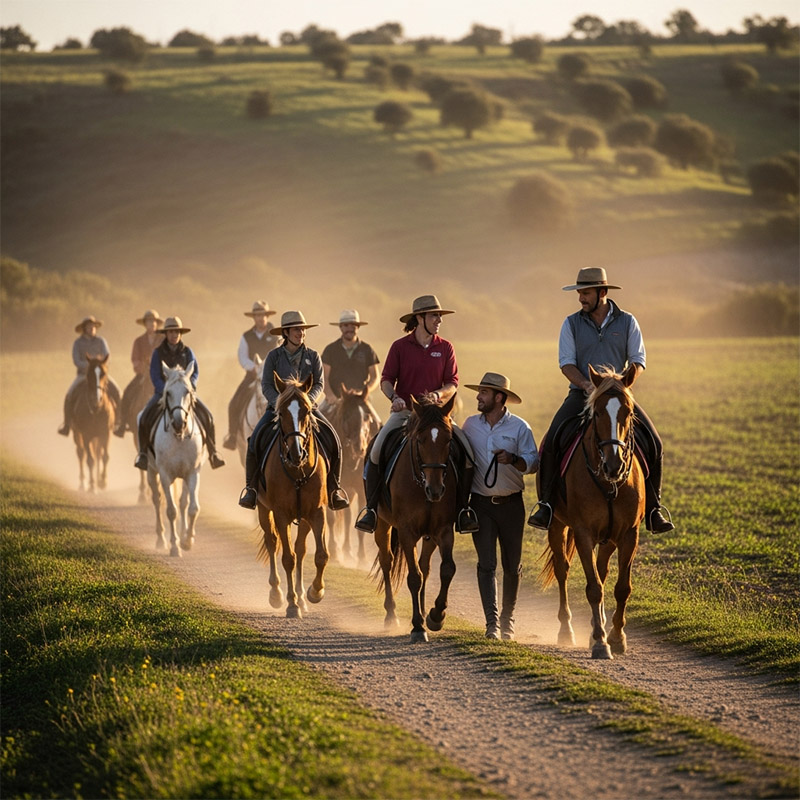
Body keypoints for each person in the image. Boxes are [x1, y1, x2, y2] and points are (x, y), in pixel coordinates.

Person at [528, 267, 674, 534]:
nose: (581, 298)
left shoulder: (628, 321)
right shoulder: (570, 323)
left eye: (586, 293)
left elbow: (638, 360)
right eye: (580, 293)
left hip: (618, 395)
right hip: (582, 393)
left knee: (654, 442)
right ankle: (546, 505)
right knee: (551, 441)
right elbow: (566, 363)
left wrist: (623, 383)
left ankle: (653, 510)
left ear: (602, 292)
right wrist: (587, 385)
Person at [354, 294, 479, 535]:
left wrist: (438, 395)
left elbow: (453, 382)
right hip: (406, 414)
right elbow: (387, 379)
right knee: (376, 450)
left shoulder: (445, 347)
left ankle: (463, 510)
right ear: (419, 318)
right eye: (434, 315)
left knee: (468, 453)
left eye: (440, 316)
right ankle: (371, 509)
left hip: (436, 415)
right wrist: (395, 398)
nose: (439, 320)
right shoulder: (399, 347)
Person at [237, 310, 349, 511]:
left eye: (303, 329)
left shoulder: (313, 356)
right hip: (278, 409)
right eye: (297, 329)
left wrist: (307, 401)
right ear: (286, 332)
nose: (301, 333)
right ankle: (251, 489)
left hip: (307, 409)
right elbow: (266, 385)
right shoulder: (273, 356)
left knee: (334, 440)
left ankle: (334, 489)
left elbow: (319, 384)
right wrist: (280, 403)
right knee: (254, 441)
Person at [462, 373, 539, 640]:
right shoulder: (470, 425)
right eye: (479, 392)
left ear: (498, 397)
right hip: (480, 504)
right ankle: (492, 624)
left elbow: (533, 462)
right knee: (486, 564)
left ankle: (508, 621)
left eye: (483, 392)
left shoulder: (520, 427)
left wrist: (514, 460)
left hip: (511, 505)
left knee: (512, 565)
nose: (477, 397)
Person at [133, 316, 225, 471]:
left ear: (180, 334)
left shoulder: (188, 352)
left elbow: (195, 372)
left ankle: (213, 453)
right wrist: (165, 389)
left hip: (185, 393)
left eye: (176, 332)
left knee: (208, 417)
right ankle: (143, 454)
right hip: (163, 393)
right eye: (171, 332)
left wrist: (190, 386)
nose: (174, 335)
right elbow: (154, 373)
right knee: (143, 418)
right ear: (166, 334)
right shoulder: (158, 353)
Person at [222, 300, 279, 450]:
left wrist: (267, 368)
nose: (261, 318)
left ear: (267, 316)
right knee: (234, 402)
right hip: (252, 375)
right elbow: (242, 357)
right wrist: (254, 368)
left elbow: (279, 353)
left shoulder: (276, 334)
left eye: (263, 315)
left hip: (273, 376)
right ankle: (233, 436)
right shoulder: (246, 336)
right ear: (253, 317)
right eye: (257, 315)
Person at [58, 315, 121, 436]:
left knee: (117, 391)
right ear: (84, 328)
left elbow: (107, 357)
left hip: (100, 375)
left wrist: (98, 367)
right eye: (88, 326)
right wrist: (89, 367)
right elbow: (76, 360)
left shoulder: (101, 341)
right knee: (69, 395)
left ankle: (118, 421)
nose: (91, 328)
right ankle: (67, 425)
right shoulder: (78, 343)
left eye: (93, 326)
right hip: (84, 375)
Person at [319, 309, 381, 426]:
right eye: (346, 325)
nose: (349, 329)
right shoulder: (330, 350)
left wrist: (365, 391)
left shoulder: (367, 349)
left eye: (353, 325)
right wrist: (330, 395)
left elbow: (375, 377)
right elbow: (324, 377)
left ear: (358, 327)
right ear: (341, 327)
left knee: (377, 424)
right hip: (335, 398)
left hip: (360, 398)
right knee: (316, 423)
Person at [113, 310, 165, 437]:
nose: (151, 324)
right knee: (127, 393)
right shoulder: (139, 341)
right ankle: (122, 423)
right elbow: (135, 359)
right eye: (148, 321)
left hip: (160, 374)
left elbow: (166, 356)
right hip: (143, 375)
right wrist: (143, 368)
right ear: (145, 324)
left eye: (153, 321)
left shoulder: (163, 339)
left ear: (157, 323)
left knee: (175, 392)